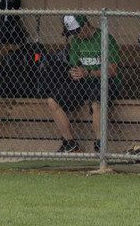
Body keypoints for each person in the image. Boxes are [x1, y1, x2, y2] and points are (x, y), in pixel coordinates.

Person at [47, 15, 120, 153]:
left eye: (77, 31)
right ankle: (70, 143)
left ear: (86, 25)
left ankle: (100, 144)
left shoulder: (105, 38)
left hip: (105, 81)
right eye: (73, 33)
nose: (76, 35)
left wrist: (88, 72)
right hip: (84, 81)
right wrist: (74, 72)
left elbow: (112, 70)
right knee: (52, 101)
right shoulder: (76, 41)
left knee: (96, 100)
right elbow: (74, 65)